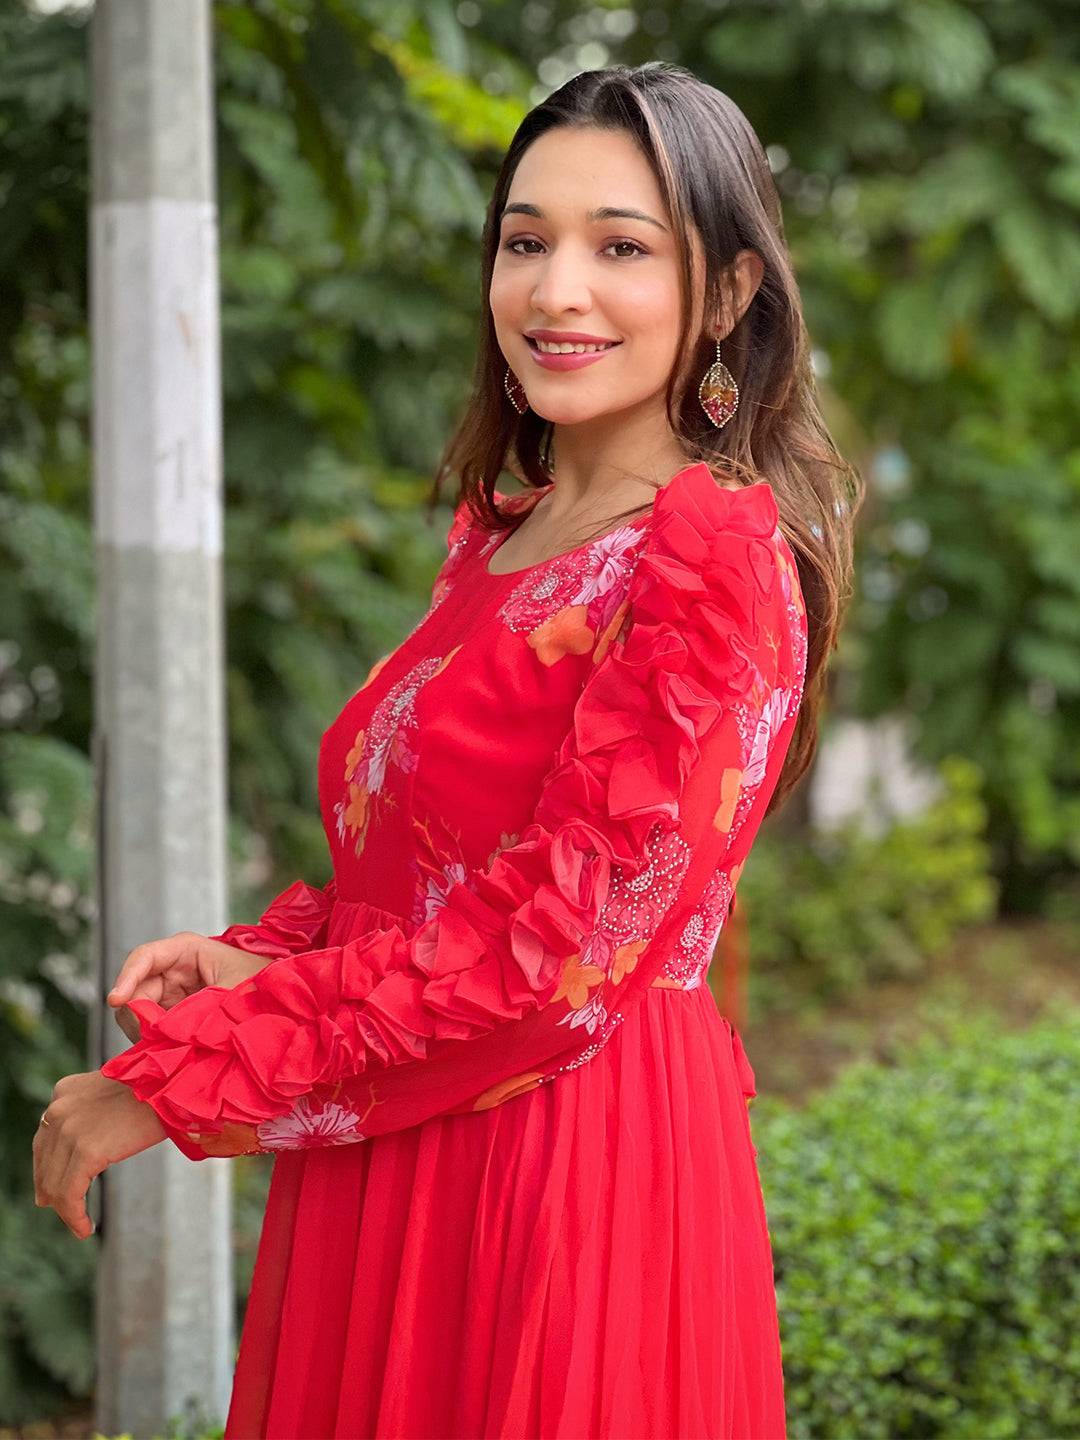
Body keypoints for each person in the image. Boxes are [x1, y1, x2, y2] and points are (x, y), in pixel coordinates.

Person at [33, 61, 860, 1439]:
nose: (556, 291)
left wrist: (182, 1081)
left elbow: (559, 971)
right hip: (404, 1144)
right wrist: (278, 963)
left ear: (724, 298)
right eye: (526, 240)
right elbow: (452, 876)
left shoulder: (709, 562)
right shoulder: (506, 537)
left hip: (561, 1171)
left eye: (621, 248)